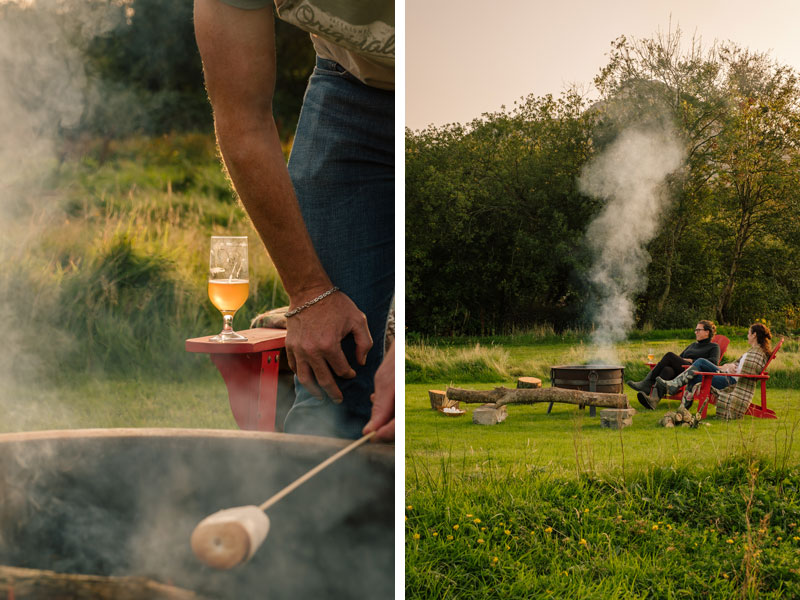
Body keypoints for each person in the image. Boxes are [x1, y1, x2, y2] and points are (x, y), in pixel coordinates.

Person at [193, 0, 395, 440]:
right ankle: (310, 508)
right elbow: (241, 119)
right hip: (349, 86)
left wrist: (405, 343)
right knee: (333, 377)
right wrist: (309, 292)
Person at [654, 323, 772, 414]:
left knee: (700, 362)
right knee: (695, 373)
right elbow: (740, 367)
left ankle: (675, 387)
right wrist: (728, 366)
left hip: (729, 381)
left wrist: (727, 370)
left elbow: (747, 373)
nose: (747, 336)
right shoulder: (753, 351)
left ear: (754, 335)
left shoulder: (756, 354)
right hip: (727, 375)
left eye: (748, 333)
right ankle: (683, 409)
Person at [627, 320, 720, 410]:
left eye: (698, 330)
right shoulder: (693, 345)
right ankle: (653, 400)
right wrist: (682, 360)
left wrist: (692, 361)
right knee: (667, 370)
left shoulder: (714, 347)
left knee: (669, 355)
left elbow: (713, 363)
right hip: (682, 369)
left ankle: (647, 382)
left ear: (707, 332)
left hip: (693, 371)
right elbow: (679, 358)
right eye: (695, 330)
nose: (696, 332)